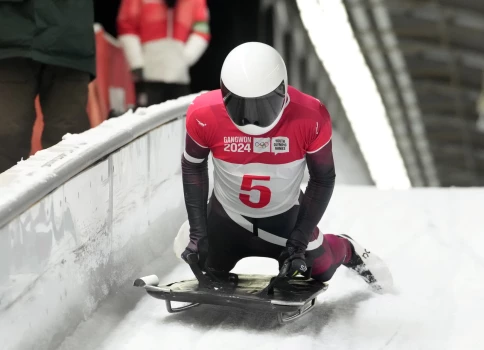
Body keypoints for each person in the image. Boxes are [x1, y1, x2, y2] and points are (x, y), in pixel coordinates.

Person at [175, 42, 393, 292]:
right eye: (240, 105)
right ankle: (195, 237)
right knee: (201, 259)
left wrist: (299, 242)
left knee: (319, 268)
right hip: (226, 218)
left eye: (263, 105)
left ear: (282, 90)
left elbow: (322, 178)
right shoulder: (203, 113)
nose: (251, 118)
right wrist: (198, 234)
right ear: (225, 93)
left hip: (283, 222)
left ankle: (346, 248)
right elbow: (193, 167)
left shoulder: (310, 116)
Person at [0, 0, 94, 174]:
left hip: (70, 39)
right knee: (6, 137)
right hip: (10, 39)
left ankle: (74, 200)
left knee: (69, 141)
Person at [117, 0, 210, 107]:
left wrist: (184, 59)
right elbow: (126, 26)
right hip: (148, 77)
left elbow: (202, 31)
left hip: (179, 79)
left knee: (180, 120)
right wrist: (137, 63)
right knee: (149, 120)